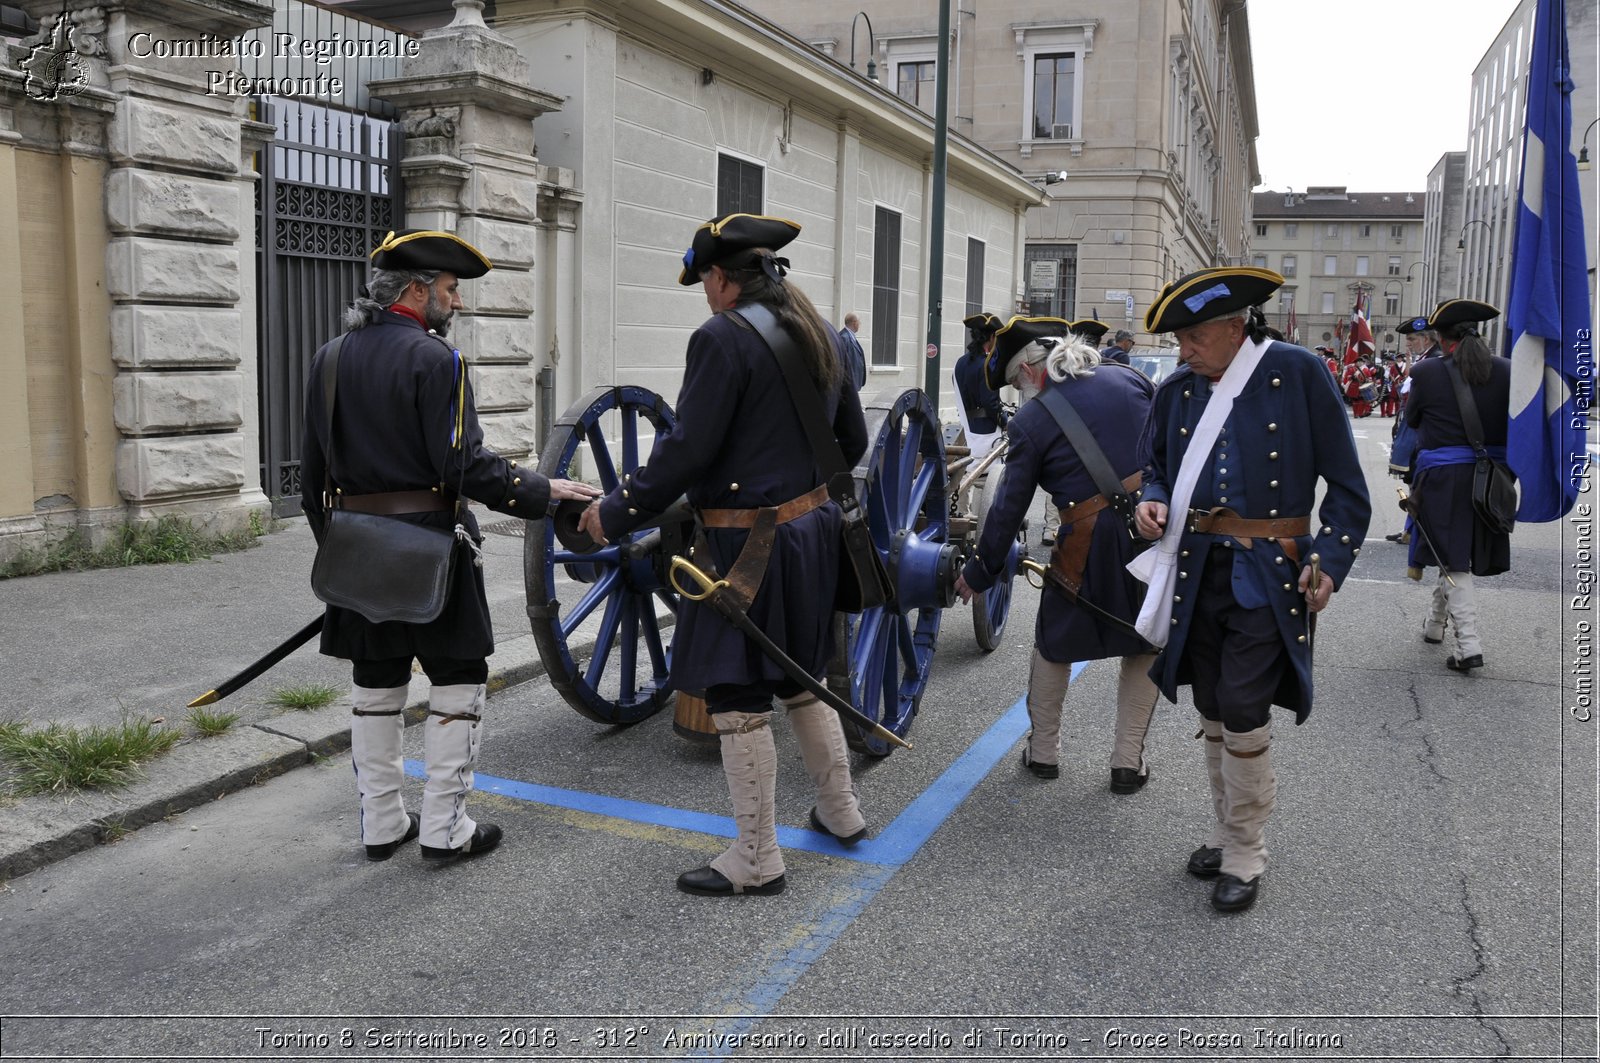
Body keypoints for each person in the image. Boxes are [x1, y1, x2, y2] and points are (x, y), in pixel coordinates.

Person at [577, 213, 868, 897]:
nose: (704, 295)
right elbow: (850, 442)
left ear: (720, 278)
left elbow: (686, 450)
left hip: (747, 548)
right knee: (799, 674)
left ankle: (758, 858)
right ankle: (840, 809)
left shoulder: (719, 338)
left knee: (737, 694)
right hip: (810, 535)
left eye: (704, 281)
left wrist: (612, 513)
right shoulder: (821, 332)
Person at [302, 229, 600, 864]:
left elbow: (310, 486)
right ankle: (444, 828)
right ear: (416, 291)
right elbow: (466, 468)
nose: (456, 301)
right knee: (457, 678)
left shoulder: (328, 357)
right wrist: (546, 492)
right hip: (435, 546)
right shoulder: (439, 361)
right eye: (450, 288)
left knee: (375, 683)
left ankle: (381, 825)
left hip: (357, 547)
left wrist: (345, 550)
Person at [1132, 266, 1371, 913]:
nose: (1182, 350)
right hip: (1197, 570)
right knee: (1211, 700)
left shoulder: (1296, 374)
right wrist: (1150, 504)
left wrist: (1326, 562)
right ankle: (1222, 826)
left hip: (1268, 573)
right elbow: (1155, 468)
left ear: (1235, 327)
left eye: (1192, 336)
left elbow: (1349, 491)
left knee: (1242, 702)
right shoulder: (1179, 390)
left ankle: (1244, 848)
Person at [954, 319, 1159, 793]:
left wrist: (980, 571)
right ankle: (1127, 764)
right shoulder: (1128, 378)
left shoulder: (1031, 420)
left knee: (1053, 643)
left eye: (1013, 384)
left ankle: (1043, 753)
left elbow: (1007, 508)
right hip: (1151, 530)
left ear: (1028, 372)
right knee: (1145, 641)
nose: (1016, 394)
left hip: (1084, 544)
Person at [1401, 300, 1511, 674]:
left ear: (1443, 339)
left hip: (1444, 478)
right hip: (1492, 481)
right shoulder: (1508, 371)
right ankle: (1435, 624)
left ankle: (1468, 644)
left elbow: (1412, 419)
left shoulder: (1427, 372)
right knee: (1452, 553)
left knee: (1452, 559)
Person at [953, 312, 1009, 460]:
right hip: (987, 433)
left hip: (967, 428)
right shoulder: (987, 364)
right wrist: (1004, 421)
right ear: (991, 337)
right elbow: (990, 403)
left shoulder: (960, 362)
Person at [838, 312, 868, 391]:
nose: (860, 325)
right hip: (848, 385)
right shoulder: (844, 337)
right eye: (859, 322)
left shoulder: (850, 336)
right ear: (855, 323)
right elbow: (841, 362)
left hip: (853, 383)